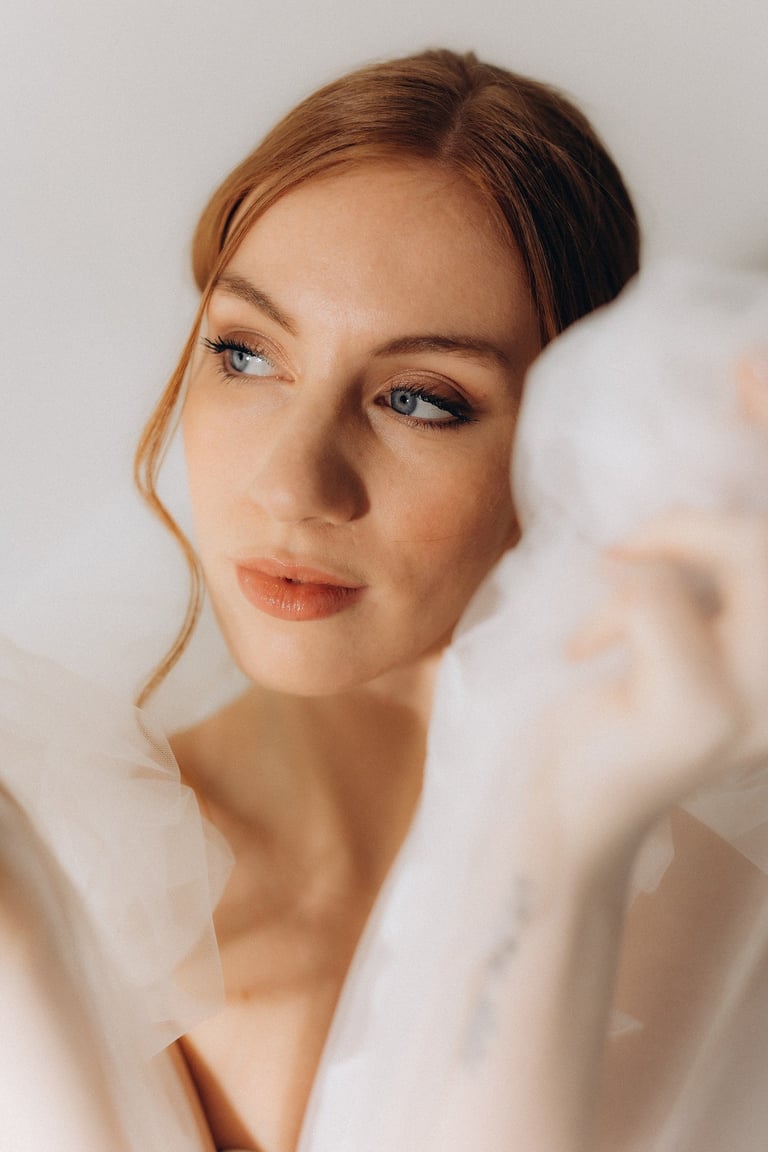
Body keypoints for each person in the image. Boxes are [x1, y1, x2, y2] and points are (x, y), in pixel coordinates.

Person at [1, 46, 766, 1152]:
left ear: (562, 444)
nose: (293, 483)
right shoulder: (60, 852)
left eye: (420, 399)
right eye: (245, 353)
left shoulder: (719, 918)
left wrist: (565, 844)